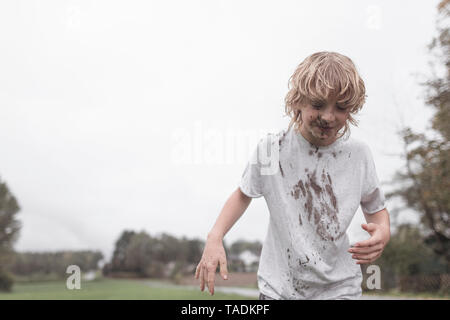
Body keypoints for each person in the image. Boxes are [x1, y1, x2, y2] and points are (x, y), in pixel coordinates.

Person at [194, 51, 391, 300]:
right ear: (297, 101)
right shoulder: (272, 150)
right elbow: (243, 194)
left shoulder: (359, 155)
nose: (328, 117)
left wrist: (383, 232)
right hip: (280, 289)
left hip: (339, 289)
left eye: (340, 108)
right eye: (318, 105)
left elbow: (376, 208)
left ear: (351, 110)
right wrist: (215, 236)